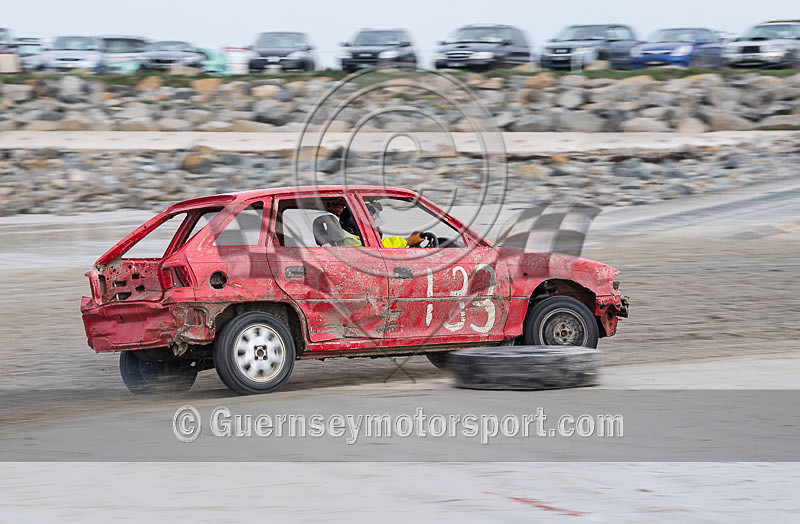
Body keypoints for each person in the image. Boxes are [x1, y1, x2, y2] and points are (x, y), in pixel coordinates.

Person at [337, 203, 423, 248]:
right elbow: (377, 248)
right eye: (372, 224)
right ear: (355, 226)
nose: (375, 228)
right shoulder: (348, 240)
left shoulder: (343, 236)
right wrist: (407, 241)